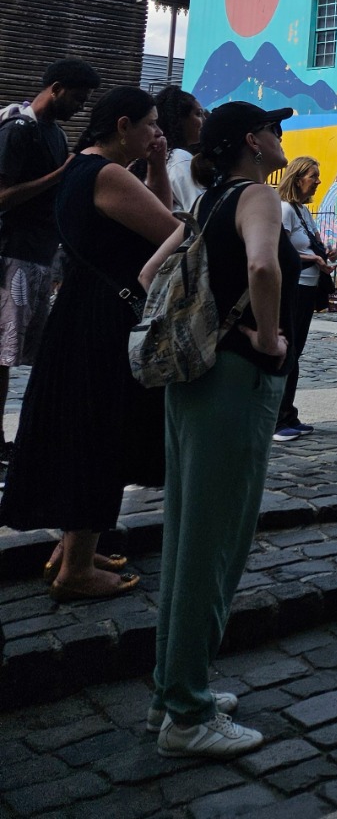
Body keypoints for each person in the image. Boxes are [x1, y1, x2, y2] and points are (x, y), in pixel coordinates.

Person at [147, 99, 298, 758]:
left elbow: (149, 274)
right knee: (216, 545)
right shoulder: (258, 197)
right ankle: (187, 716)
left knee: (188, 539)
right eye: (272, 128)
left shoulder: (207, 203)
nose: (281, 136)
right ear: (250, 142)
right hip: (235, 382)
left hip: (194, 378)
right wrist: (265, 337)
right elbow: (264, 266)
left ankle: (175, 688)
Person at [0, 86, 180, 598]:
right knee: (99, 431)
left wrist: (158, 165)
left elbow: (151, 215)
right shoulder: (107, 174)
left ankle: (72, 548)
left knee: (81, 425)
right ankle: (76, 570)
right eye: (150, 124)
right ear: (123, 126)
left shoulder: (83, 168)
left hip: (82, 308)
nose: (157, 133)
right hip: (106, 315)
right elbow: (169, 232)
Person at [0, 58, 99, 465]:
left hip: (40, 255)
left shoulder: (55, 134)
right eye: (77, 97)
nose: (80, 106)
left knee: (19, 355)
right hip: (12, 254)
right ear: (55, 88)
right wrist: (59, 176)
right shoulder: (17, 130)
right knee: (2, 356)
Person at [274, 157, 337, 441]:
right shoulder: (285, 209)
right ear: (298, 178)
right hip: (295, 288)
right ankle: (279, 418)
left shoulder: (302, 210)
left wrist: (325, 253)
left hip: (309, 287)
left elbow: (307, 246)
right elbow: (280, 250)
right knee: (289, 350)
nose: (318, 181)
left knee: (295, 351)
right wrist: (313, 258)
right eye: (313, 176)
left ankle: (288, 413)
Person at [154, 85, 207, 213]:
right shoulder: (179, 158)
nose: (204, 120)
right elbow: (200, 211)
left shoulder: (161, 157)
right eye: (198, 114)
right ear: (180, 119)